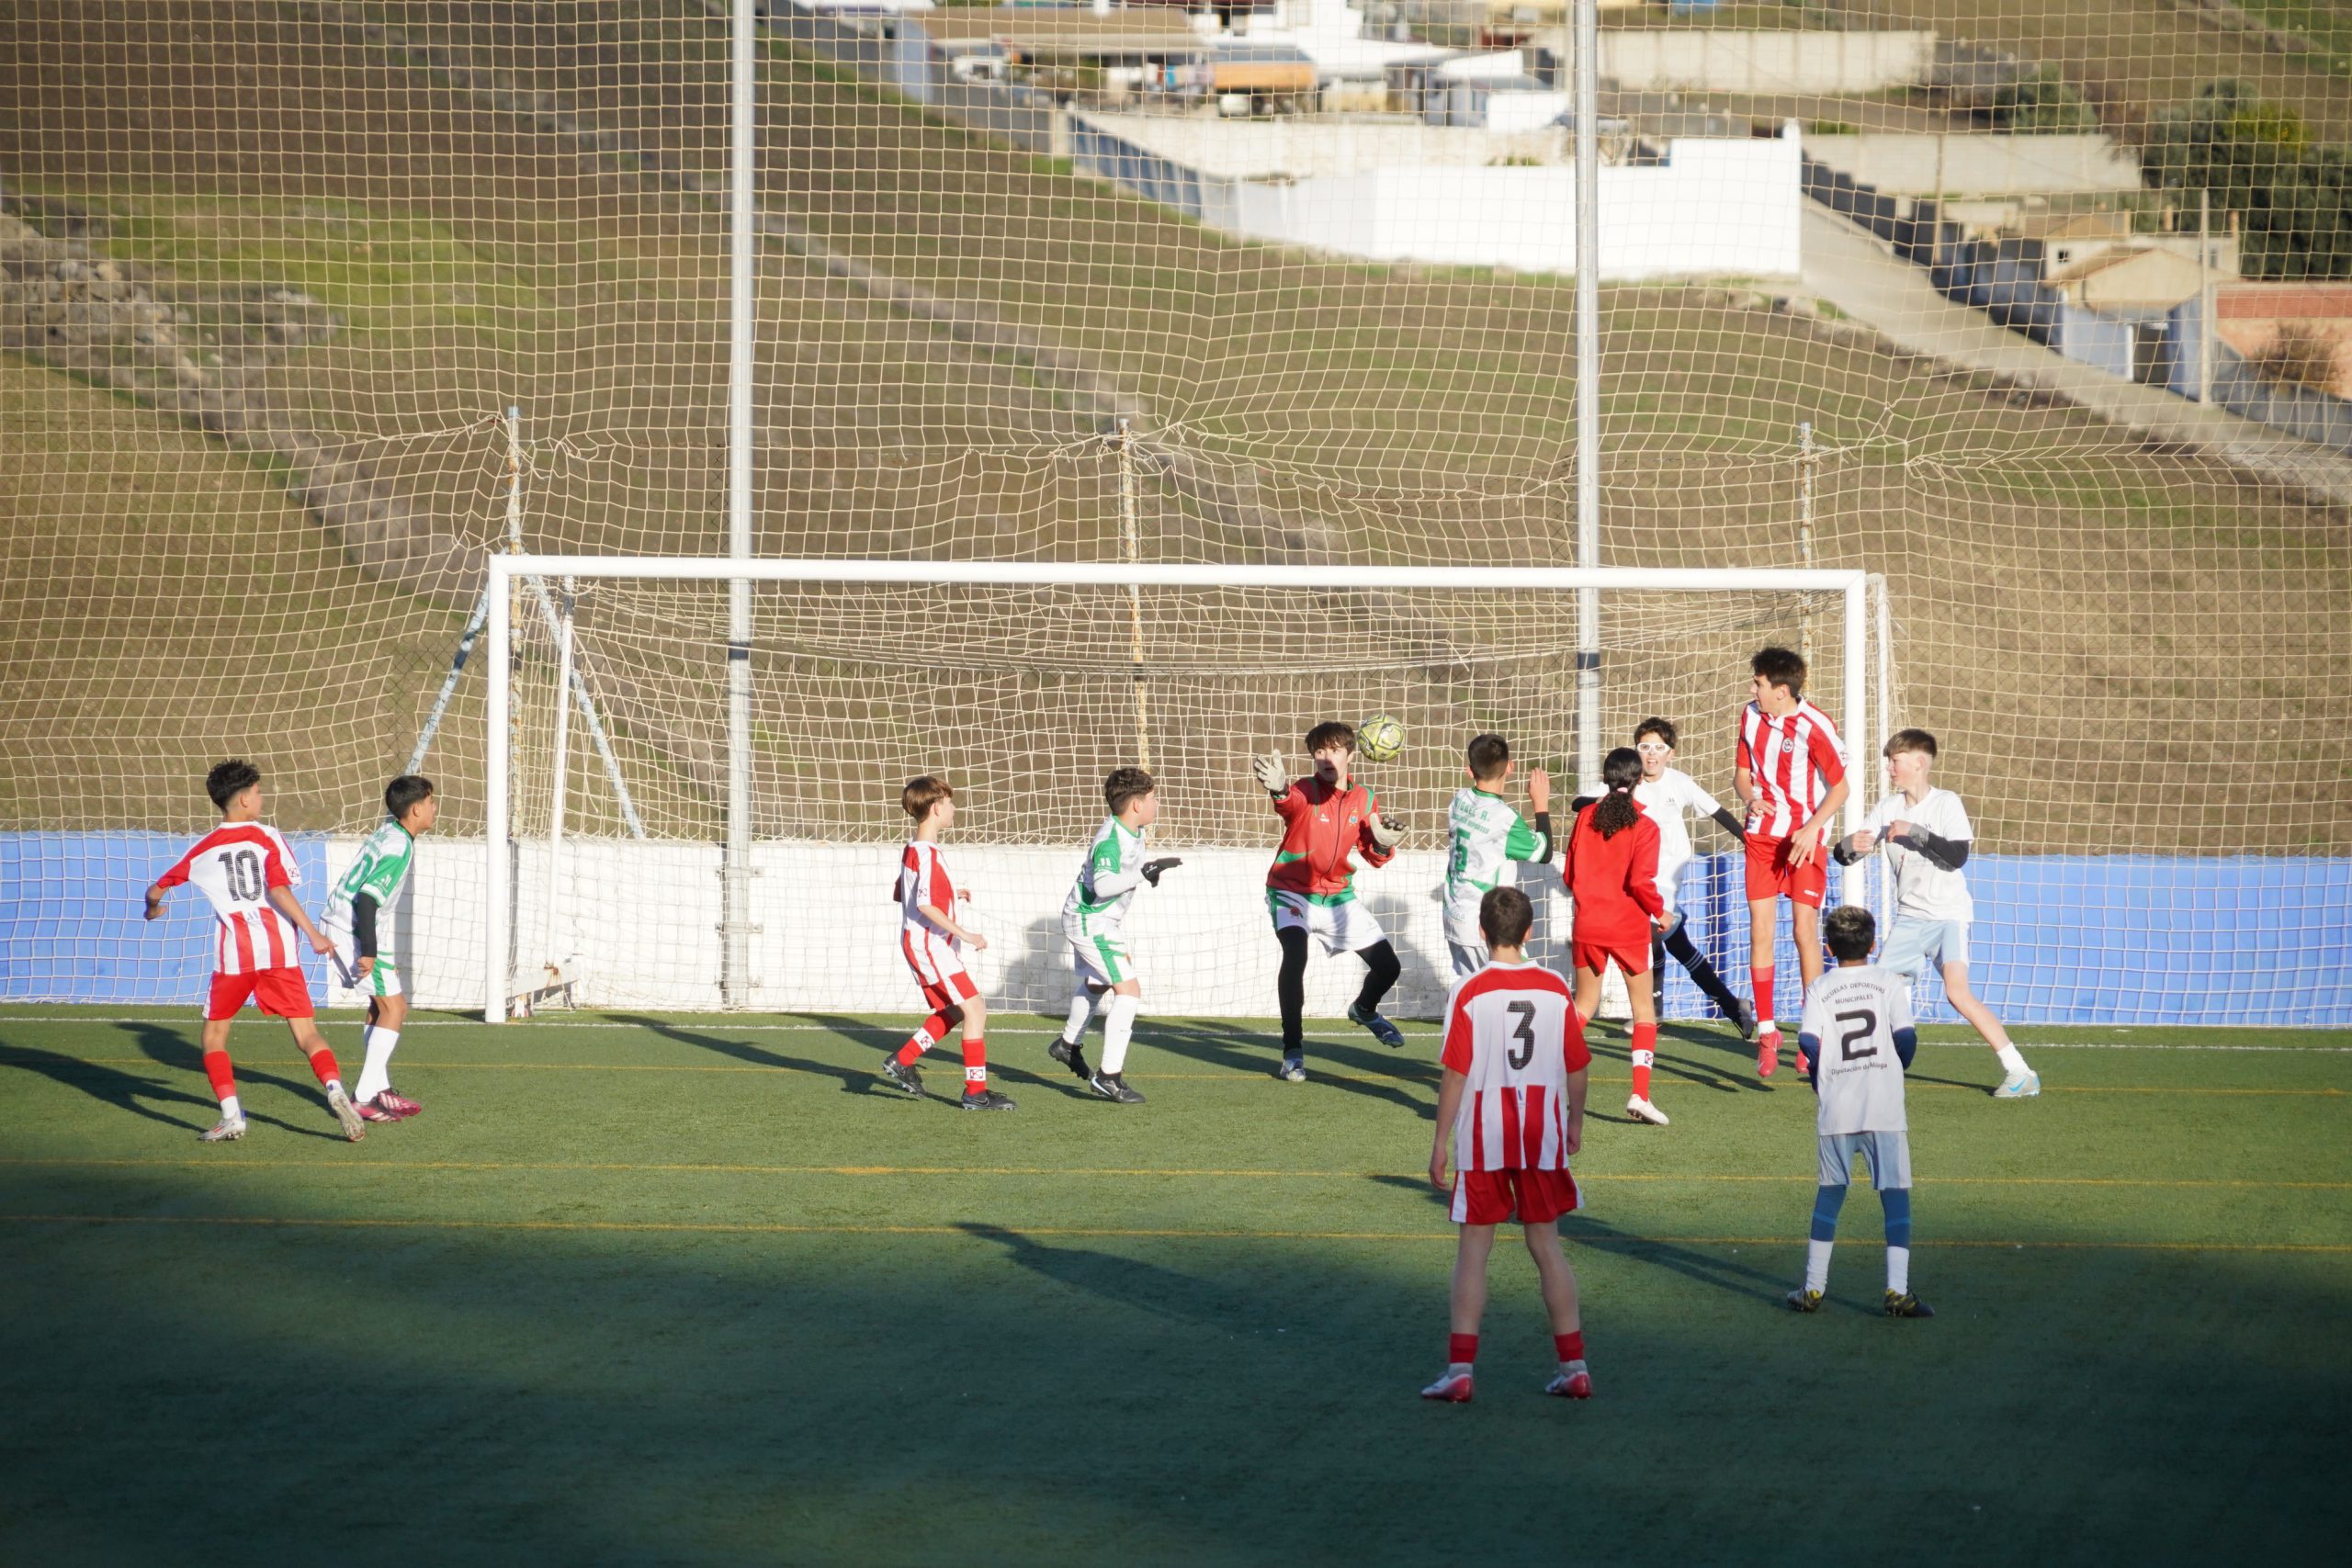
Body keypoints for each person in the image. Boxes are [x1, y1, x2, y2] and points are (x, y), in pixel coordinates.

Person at [1420, 886, 1594, 1403]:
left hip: (1485, 1137)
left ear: (1480, 931)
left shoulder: (1469, 991)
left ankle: (1460, 1370)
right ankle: (1575, 1366)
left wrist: (1439, 1141)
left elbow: (1455, 1072)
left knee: (1474, 1250)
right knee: (1547, 1247)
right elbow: (1577, 1064)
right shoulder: (1554, 985)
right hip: (1542, 1135)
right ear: (1529, 932)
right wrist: (1576, 1123)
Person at [142, 759, 366, 1143]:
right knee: (306, 1033)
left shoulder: (203, 848)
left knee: (214, 1037)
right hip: (280, 951)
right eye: (259, 792)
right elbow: (279, 888)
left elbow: (156, 889)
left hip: (235, 955)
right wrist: (313, 933)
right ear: (244, 799)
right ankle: (335, 1090)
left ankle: (232, 1115)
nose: (262, 798)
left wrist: (153, 909)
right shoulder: (265, 836)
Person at [1834, 728, 2039, 1099]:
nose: (1890, 769)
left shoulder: (1946, 803)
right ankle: (1880, 1068)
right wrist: (1851, 845)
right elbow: (1846, 855)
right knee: (1883, 992)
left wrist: (1917, 833)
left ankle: (2020, 1071)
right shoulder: (1887, 808)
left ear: (1919, 762)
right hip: (1910, 918)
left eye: (1895, 761)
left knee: (1957, 994)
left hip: (1948, 917)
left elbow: (1958, 857)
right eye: (1889, 762)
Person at [1788, 905, 1933, 1318]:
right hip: (1883, 1108)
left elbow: (1809, 1043)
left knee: (1830, 1194)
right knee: (1895, 1198)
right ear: (1872, 945)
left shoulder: (1820, 987)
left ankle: (1813, 1289)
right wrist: (1889, 1072)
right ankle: (1897, 1291)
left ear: (1829, 947)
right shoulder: (1887, 983)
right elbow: (1906, 1039)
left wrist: (1822, 1078)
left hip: (1838, 1107)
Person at [1250, 721, 1405, 1082]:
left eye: (1334, 749)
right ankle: (1292, 1052)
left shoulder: (1365, 799)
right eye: (1319, 751)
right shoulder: (1305, 789)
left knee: (1389, 968)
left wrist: (1383, 842)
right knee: (1295, 955)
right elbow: (1291, 804)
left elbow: (1375, 855)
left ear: (1352, 754)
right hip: (1291, 891)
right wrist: (1279, 791)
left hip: (1338, 896)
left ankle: (1365, 1010)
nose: (1325, 757)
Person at [1735, 647, 1849, 1078]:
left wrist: (1810, 829)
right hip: (1762, 840)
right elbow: (1741, 774)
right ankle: (1767, 1034)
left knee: (1805, 931)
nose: (1752, 690)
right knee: (1760, 930)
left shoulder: (1815, 726)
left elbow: (1840, 788)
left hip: (1804, 841)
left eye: (1759, 684)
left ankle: (1811, 1031)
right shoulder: (1750, 716)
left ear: (1781, 690)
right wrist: (1751, 798)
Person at [878, 776, 1013, 1110]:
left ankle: (903, 1060)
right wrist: (965, 934)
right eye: (950, 803)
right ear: (937, 808)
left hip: (925, 944)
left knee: (955, 1010)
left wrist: (952, 893)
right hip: (930, 946)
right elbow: (924, 904)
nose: (954, 808)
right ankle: (975, 1093)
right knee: (976, 1009)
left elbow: (906, 893)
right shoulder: (927, 854)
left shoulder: (914, 848)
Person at [1049, 765, 1181, 1105]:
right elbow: (1105, 884)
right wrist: (1142, 872)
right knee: (1130, 992)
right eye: (1153, 798)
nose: (1157, 804)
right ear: (1136, 804)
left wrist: (1144, 874)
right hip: (1091, 922)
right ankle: (1109, 1076)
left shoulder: (1132, 830)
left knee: (1099, 982)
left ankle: (1066, 1044)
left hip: (1098, 920)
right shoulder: (1110, 838)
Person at [1566, 747, 1674, 1126]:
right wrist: (1661, 912)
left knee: (1583, 1006)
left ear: (1606, 778)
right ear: (1638, 778)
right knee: (1643, 1012)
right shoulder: (1646, 826)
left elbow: (1568, 874)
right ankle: (1640, 1095)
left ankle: (1535, 1076)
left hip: (1588, 924)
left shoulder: (1584, 818)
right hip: (1627, 927)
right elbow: (1640, 882)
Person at [321, 774, 436, 1122]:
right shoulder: (399, 846)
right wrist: (369, 951)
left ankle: (379, 1088)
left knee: (381, 1004)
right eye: (431, 802)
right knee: (396, 1008)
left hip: (344, 924)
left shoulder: (389, 831)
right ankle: (364, 1096)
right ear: (416, 809)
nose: (434, 808)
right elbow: (368, 898)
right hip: (355, 930)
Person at [1631, 717, 1751, 1034]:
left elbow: (1717, 812)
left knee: (1654, 937)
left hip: (1667, 881)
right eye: (1645, 747)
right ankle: (1732, 1006)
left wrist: (1749, 842)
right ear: (1636, 750)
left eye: (1659, 748)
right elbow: (1584, 802)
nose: (1651, 754)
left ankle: (1648, 1012)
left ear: (1670, 754)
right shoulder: (1627, 782)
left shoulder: (1679, 783)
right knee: (1674, 946)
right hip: (1637, 879)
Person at [1440, 733, 1553, 980]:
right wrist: (1541, 804)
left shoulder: (1459, 799)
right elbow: (1543, 853)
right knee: (1522, 985)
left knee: (1471, 990)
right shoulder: (1505, 819)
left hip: (1453, 912)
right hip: (1487, 923)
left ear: (1470, 771)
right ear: (1510, 767)